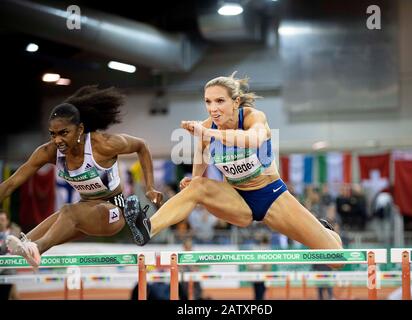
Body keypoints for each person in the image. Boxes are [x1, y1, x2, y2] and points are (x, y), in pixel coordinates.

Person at [126, 71, 343, 267]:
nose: (213, 108)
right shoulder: (208, 127)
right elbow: (201, 153)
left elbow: (254, 140)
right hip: (236, 199)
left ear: (235, 102)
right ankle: (148, 228)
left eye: (220, 101)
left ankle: (325, 231)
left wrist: (208, 133)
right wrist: (194, 178)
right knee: (198, 187)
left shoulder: (252, 118)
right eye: (208, 102)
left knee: (336, 260)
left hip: (271, 197)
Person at [0, 85, 162, 269]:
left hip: (114, 212)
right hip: (85, 211)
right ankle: (19, 248)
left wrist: (149, 187)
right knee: (63, 215)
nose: (57, 140)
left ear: (80, 129)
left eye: (64, 133)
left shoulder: (102, 145)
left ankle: (36, 248)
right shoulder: (49, 152)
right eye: (53, 134)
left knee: (68, 211)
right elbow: (11, 183)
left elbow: (142, 146)